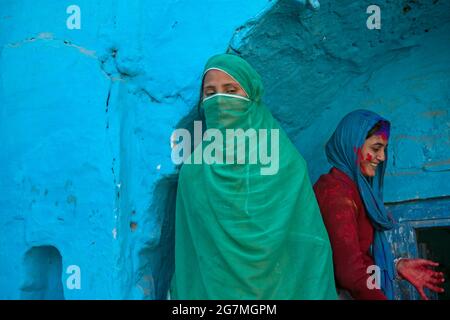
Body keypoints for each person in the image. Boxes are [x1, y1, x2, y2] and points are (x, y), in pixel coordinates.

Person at [171, 53, 337, 299]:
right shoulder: (194, 172)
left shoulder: (285, 164)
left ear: (251, 97)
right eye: (210, 93)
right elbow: (191, 255)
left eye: (231, 90)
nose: (220, 101)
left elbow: (308, 246)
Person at [313, 109, 445, 300]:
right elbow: (350, 273)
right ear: (352, 146)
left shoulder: (355, 189)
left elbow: (355, 256)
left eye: (384, 149)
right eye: (375, 148)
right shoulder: (337, 194)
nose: (382, 157)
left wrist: (396, 266)